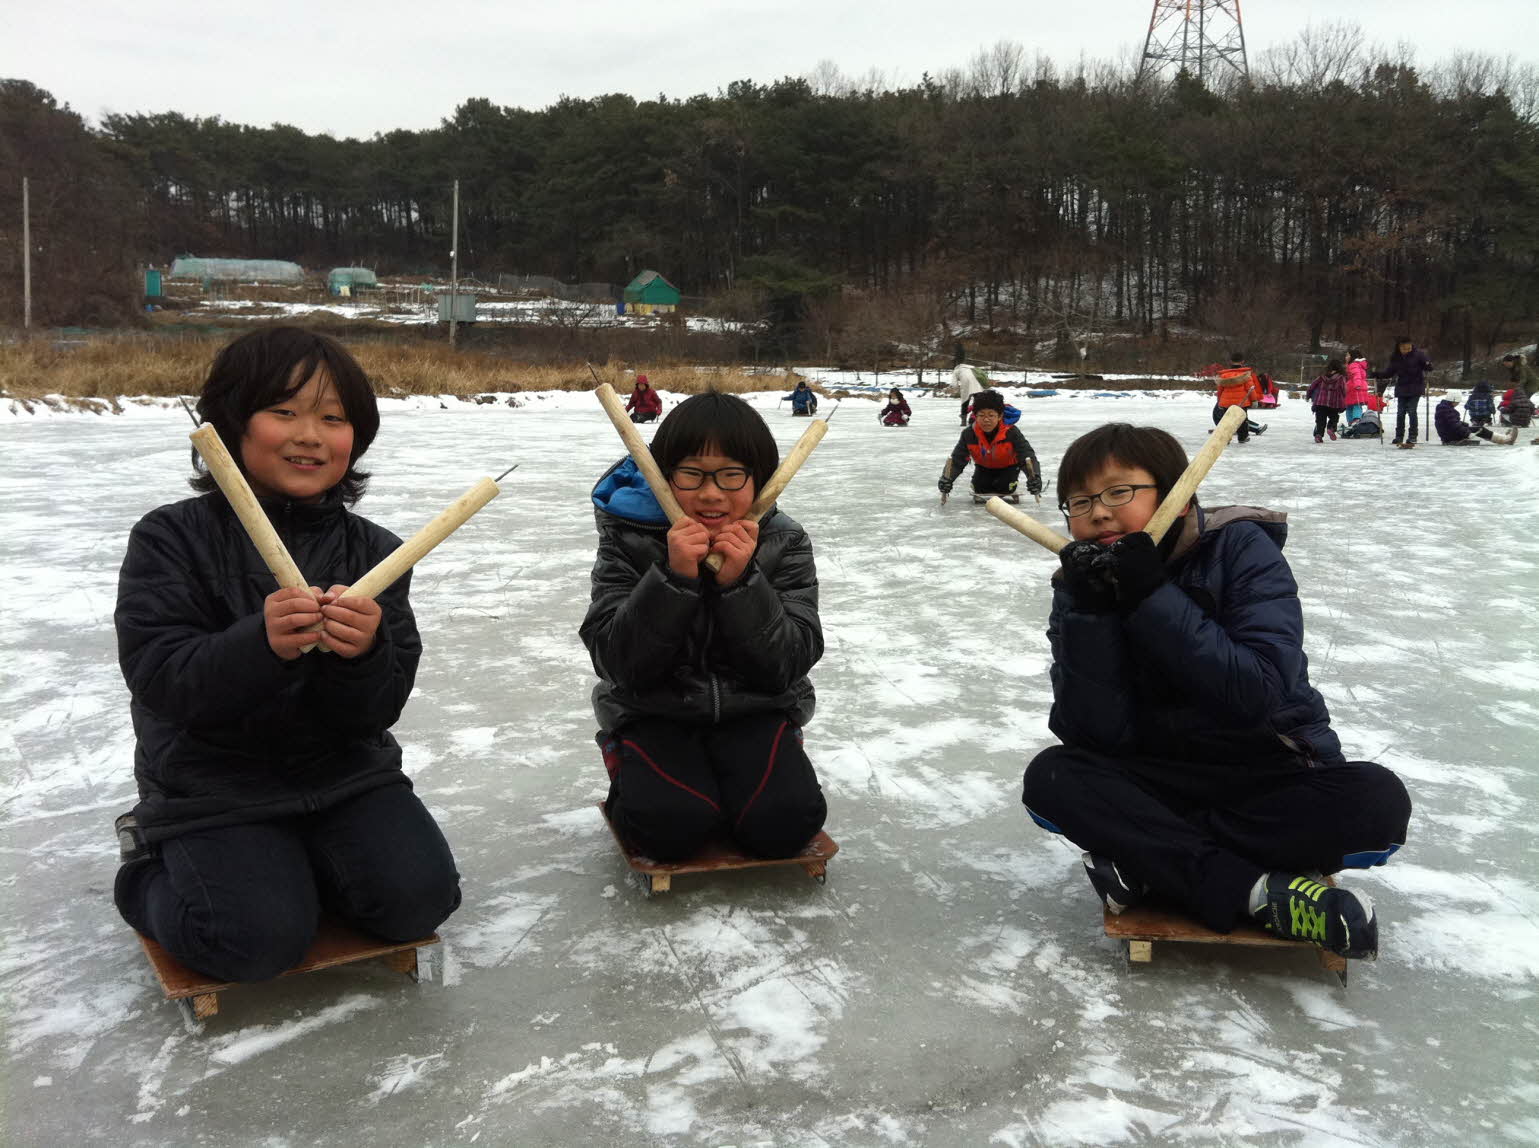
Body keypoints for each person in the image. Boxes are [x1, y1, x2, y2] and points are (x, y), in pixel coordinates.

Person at [111, 327, 461, 984]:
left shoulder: (376, 553)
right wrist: (261, 644)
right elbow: (163, 680)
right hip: (213, 784)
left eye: (333, 419)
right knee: (252, 942)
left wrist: (360, 655)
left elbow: (376, 709)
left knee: (417, 904)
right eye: (284, 412)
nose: (310, 435)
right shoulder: (170, 540)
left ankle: (296, 867)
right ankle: (144, 874)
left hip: (344, 775)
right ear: (232, 425)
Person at [1021, 422, 1410, 962]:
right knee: (1054, 777)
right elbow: (1093, 735)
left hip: (1265, 772)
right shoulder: (1086, 586)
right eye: (1080, 501)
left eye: (1118, 492)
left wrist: (1152, 596)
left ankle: (1156, 862)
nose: (1098, 513)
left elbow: (1258, 691)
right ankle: (1257, 893)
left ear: (1178, 497)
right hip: (1158, 777)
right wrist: (1088, 615)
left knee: (1377, 801)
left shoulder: (1240, 549)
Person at [579, 391, 828, 862]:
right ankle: (627, 764)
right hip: (654, 711)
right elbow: (616, 662)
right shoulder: (628, 538)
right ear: (665, 475)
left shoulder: (785, 541)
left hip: (756, 709)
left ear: (762, 478)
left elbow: (789, 662)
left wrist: (742, 584)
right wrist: (673, 579)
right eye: (692, 474)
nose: (712, 493)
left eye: (732, 474)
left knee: (783, 826)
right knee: (670, 830)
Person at [936, 390, 1043, 503]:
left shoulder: (1012, 432)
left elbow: (1027, 456)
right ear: (975, 416)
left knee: (1004, 488)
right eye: (981, 415)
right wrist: (947, 479)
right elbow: (957, 460)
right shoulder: (969, 434)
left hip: (1008, 469)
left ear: (1000, 416)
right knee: (980, 488)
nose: (986, 419)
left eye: (991, 415)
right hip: (983, 468)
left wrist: (1035, 477)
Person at [1371, 336, 1432, 448]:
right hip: (1402, 388)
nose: (1406, 350)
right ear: (1399, 348)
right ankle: (1399, 436)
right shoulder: (1396, 358)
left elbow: (1427, 366)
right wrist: (1377, 374)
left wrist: (1428, 365)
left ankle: (1413, 435)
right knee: (1400, 413)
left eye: (1408, 348)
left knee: (1412, 411)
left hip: (1416, 387)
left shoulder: (1419, 355)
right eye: (1404, 348)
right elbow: (1389, 373)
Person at [1212, 351, 1263, 444]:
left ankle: (1225, 438)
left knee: (1226, 421)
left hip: (1226, 402)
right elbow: (1250, 389)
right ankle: (1242, 437)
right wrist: (1254, 400)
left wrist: (1219, 401)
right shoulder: (1245, 375)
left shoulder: (1224, 375)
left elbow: (1220, 391)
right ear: (1242, 361)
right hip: (1242, 402)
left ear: (1230, 361)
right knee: (1242, 420)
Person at [1435, 397, 1516, 446]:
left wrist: (1464, 424)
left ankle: (1502, 438)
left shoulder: (1444, 409)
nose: (1457, 403)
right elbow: (1454, 425)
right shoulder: (1446, 410)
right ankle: (1505, 440)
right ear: (1453, 400)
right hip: (1451, 436)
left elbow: (1451, 423)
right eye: (1457, 402)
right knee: (1481, 429)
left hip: (1448, 434)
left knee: (1476, 428)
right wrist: (1467, 433)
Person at [1305, 359, 1348, 442]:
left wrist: (1308, 395)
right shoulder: (1341, 378)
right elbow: (1344, 389)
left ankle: (1318, 435)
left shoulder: (1322, 376)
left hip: (1321, 402)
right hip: (1334, 403)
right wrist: (1343, 397)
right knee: (1334, 417)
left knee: (1320, 420)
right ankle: (1331, 428)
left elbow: (1312, 385)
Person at [1343, 349, 1371, 424]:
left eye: (1347, 355)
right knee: (1353, 405)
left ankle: (1355, 420)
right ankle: (1353, 421)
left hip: (1355, 388)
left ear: (1352, 356)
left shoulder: (1353, 365)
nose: (1346, 357)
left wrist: (1357, 385)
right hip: (1356, 387)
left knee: (1355, 405)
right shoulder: (1358, 364)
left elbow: (1357, 375)